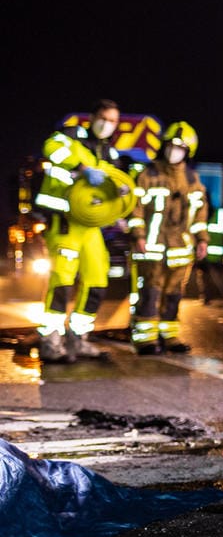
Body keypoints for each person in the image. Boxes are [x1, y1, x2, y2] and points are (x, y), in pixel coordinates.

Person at [34, 99, 128, 363]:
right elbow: (50, 148)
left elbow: (108, 189)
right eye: (104, 118)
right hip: (64, 221)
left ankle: (78, 339)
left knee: (97, 279)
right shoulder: (71, 137)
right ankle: (51, 341)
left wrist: (119, 199)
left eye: (112, 121)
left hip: (89, 227)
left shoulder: (108, 153)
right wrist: (80, 168)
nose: (107, 124)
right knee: (62, 280)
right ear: (92, 117)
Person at [128, 121, 209, 355]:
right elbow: (135, 209)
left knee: (174, 294)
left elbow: (200, 213)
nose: (174, 151)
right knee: (150, 292)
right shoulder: (148, 174)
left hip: (180, 249)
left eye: (181, 147)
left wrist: (202, 240)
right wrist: (138, 236)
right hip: (151, 248)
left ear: (188, 151)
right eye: (171, 146)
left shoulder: (193, 180)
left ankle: (169, 336)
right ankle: (145, 340)